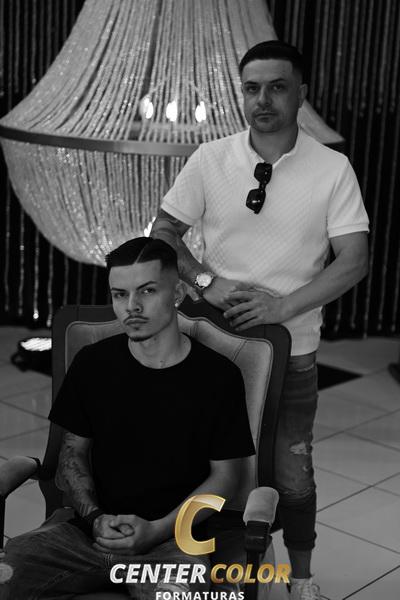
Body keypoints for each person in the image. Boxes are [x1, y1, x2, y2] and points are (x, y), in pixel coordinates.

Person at [151, 40, 369, 600]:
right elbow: (164, 232)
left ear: (301, 94)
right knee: (196, 459)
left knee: (292, 472)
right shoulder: (210, 158)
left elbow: (354, 260)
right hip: (211, 343)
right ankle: (191, 561)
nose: (263, 99)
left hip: (292, 349)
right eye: (252, 88)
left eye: (277, 87)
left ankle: (301, 579)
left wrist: (282, 308)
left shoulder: (333, 168)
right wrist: (205, 281)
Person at [1, 237, 255, 599]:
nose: (131, 306)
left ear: (177, 293)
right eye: (120, 294)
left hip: (174, 540)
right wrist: (95, 519)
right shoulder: (92, 363)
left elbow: (226, 479)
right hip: (85, 534)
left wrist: (157, 530)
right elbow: (72, 456)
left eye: (147, 291)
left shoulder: (218, 376)